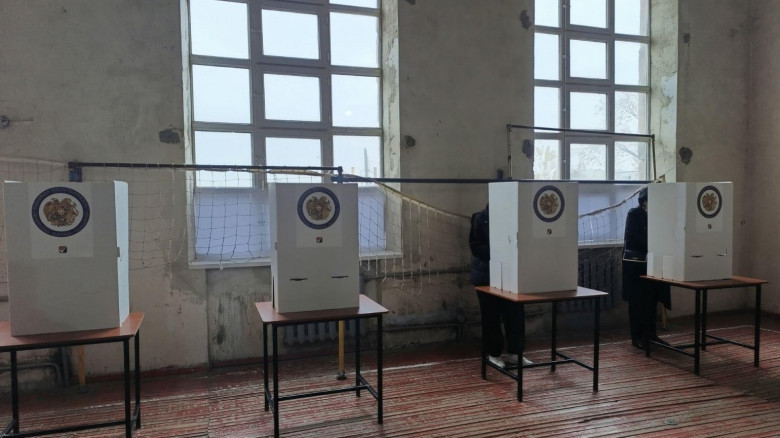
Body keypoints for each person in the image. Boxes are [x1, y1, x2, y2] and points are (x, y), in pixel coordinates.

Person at [469, 204, 530, 368]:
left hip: (509, 275)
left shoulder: (512, 217)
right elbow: (475, 247)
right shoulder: (479, 218)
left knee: (515, 314)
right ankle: (494, 354)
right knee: (491, 317)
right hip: (485, 277)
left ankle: (515, 353)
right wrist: (501, 251)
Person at [622, 188, 671, 349]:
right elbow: (634, 239)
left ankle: (652, 335)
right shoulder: (634, 214)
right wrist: (655, 242)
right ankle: (638, 337)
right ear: (644, 201)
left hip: (654, 264)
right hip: (636, 266)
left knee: (652, 300)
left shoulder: (659, 216)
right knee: (637, 302)